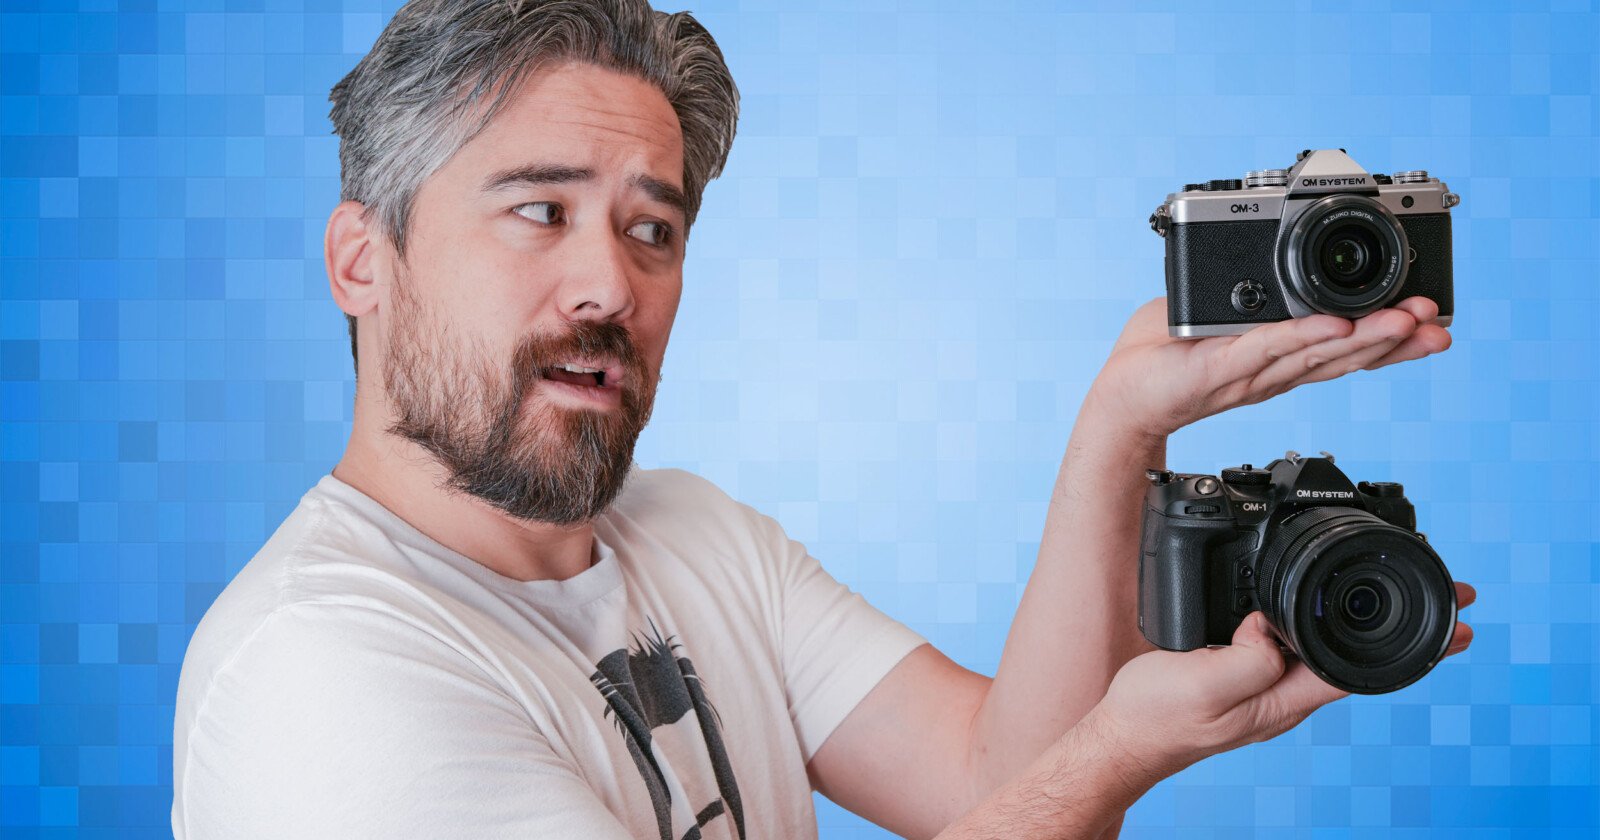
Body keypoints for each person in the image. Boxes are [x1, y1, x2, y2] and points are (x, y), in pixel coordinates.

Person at [170, 1, 1475, 838]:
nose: (608, 284)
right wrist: (1112, 763)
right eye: (538, 209)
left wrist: (1121, 428)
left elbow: (986, 780)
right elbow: (1055, 786)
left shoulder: (693, 537)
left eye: (652, 229)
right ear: (362, 262)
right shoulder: (316, 673)